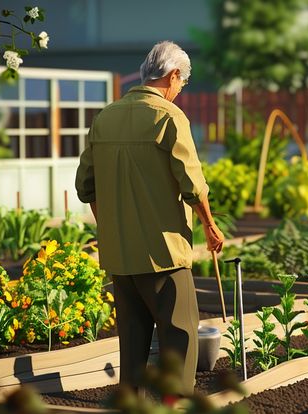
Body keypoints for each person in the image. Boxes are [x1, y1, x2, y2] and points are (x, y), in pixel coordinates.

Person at [75, 41, 224, 394]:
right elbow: (192, 184)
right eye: (182, 84)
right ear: (173, 75)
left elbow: (85, 186)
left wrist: (110, 226)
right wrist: (210, 225)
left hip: (120, 255)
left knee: (132, 339)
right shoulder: (169, 117)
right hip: (164, 253)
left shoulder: (106, 116)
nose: (179, 92)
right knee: (181, 335)